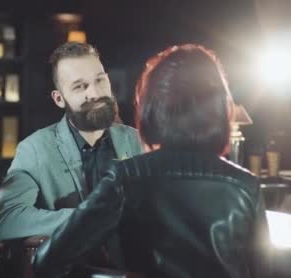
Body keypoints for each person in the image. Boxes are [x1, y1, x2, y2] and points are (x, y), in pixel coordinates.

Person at [33, 44, 272, 278]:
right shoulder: (246, 185)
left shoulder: (126, 177)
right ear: (221, 108)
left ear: (151, 107)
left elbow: (46, 261)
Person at [0, 42, 143, 269]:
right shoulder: (35, 149)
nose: (94, 93)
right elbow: (8, 220)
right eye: (79, 87)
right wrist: (88, 218)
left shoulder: (137, 141)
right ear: (59, 99)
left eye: (100, 80)